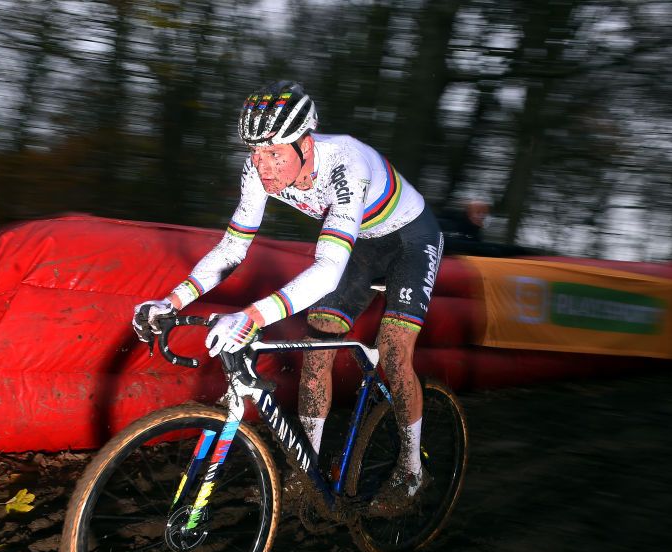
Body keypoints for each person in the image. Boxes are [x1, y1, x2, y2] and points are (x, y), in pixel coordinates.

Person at [132, 81, 444, 514]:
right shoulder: (258, 169)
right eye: (256, 154)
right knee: (317, 352)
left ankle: (412, 473)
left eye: (275, 154)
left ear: (305, 144)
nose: (264, 167)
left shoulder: (345, 164)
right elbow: (232, 248)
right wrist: (173, 301)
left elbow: (327, 268)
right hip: (360, 245)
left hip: (410, 240)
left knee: (393, 353)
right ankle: (307, 471)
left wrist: (253, 315)